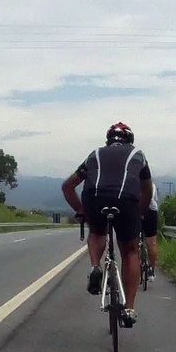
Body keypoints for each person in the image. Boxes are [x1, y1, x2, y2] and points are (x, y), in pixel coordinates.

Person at [61, 121, 153, 327]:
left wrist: (81, 210)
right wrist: (140, 213)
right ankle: (129, 309)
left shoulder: (94, 154)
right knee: (130, 252)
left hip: (94, 197)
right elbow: (147, 190)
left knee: (97, 232)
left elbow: (68, 186)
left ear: (108, 140)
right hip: (127, 199)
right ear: (130, 140)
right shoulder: (138, 154)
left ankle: (95, 266)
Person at [141, 182, 160, 279]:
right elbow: (153, 199)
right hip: (151, 211)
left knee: (132, 241)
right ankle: (151, 271)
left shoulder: (130, 181)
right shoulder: (151, 184)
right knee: (151, 242)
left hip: (136, 210)